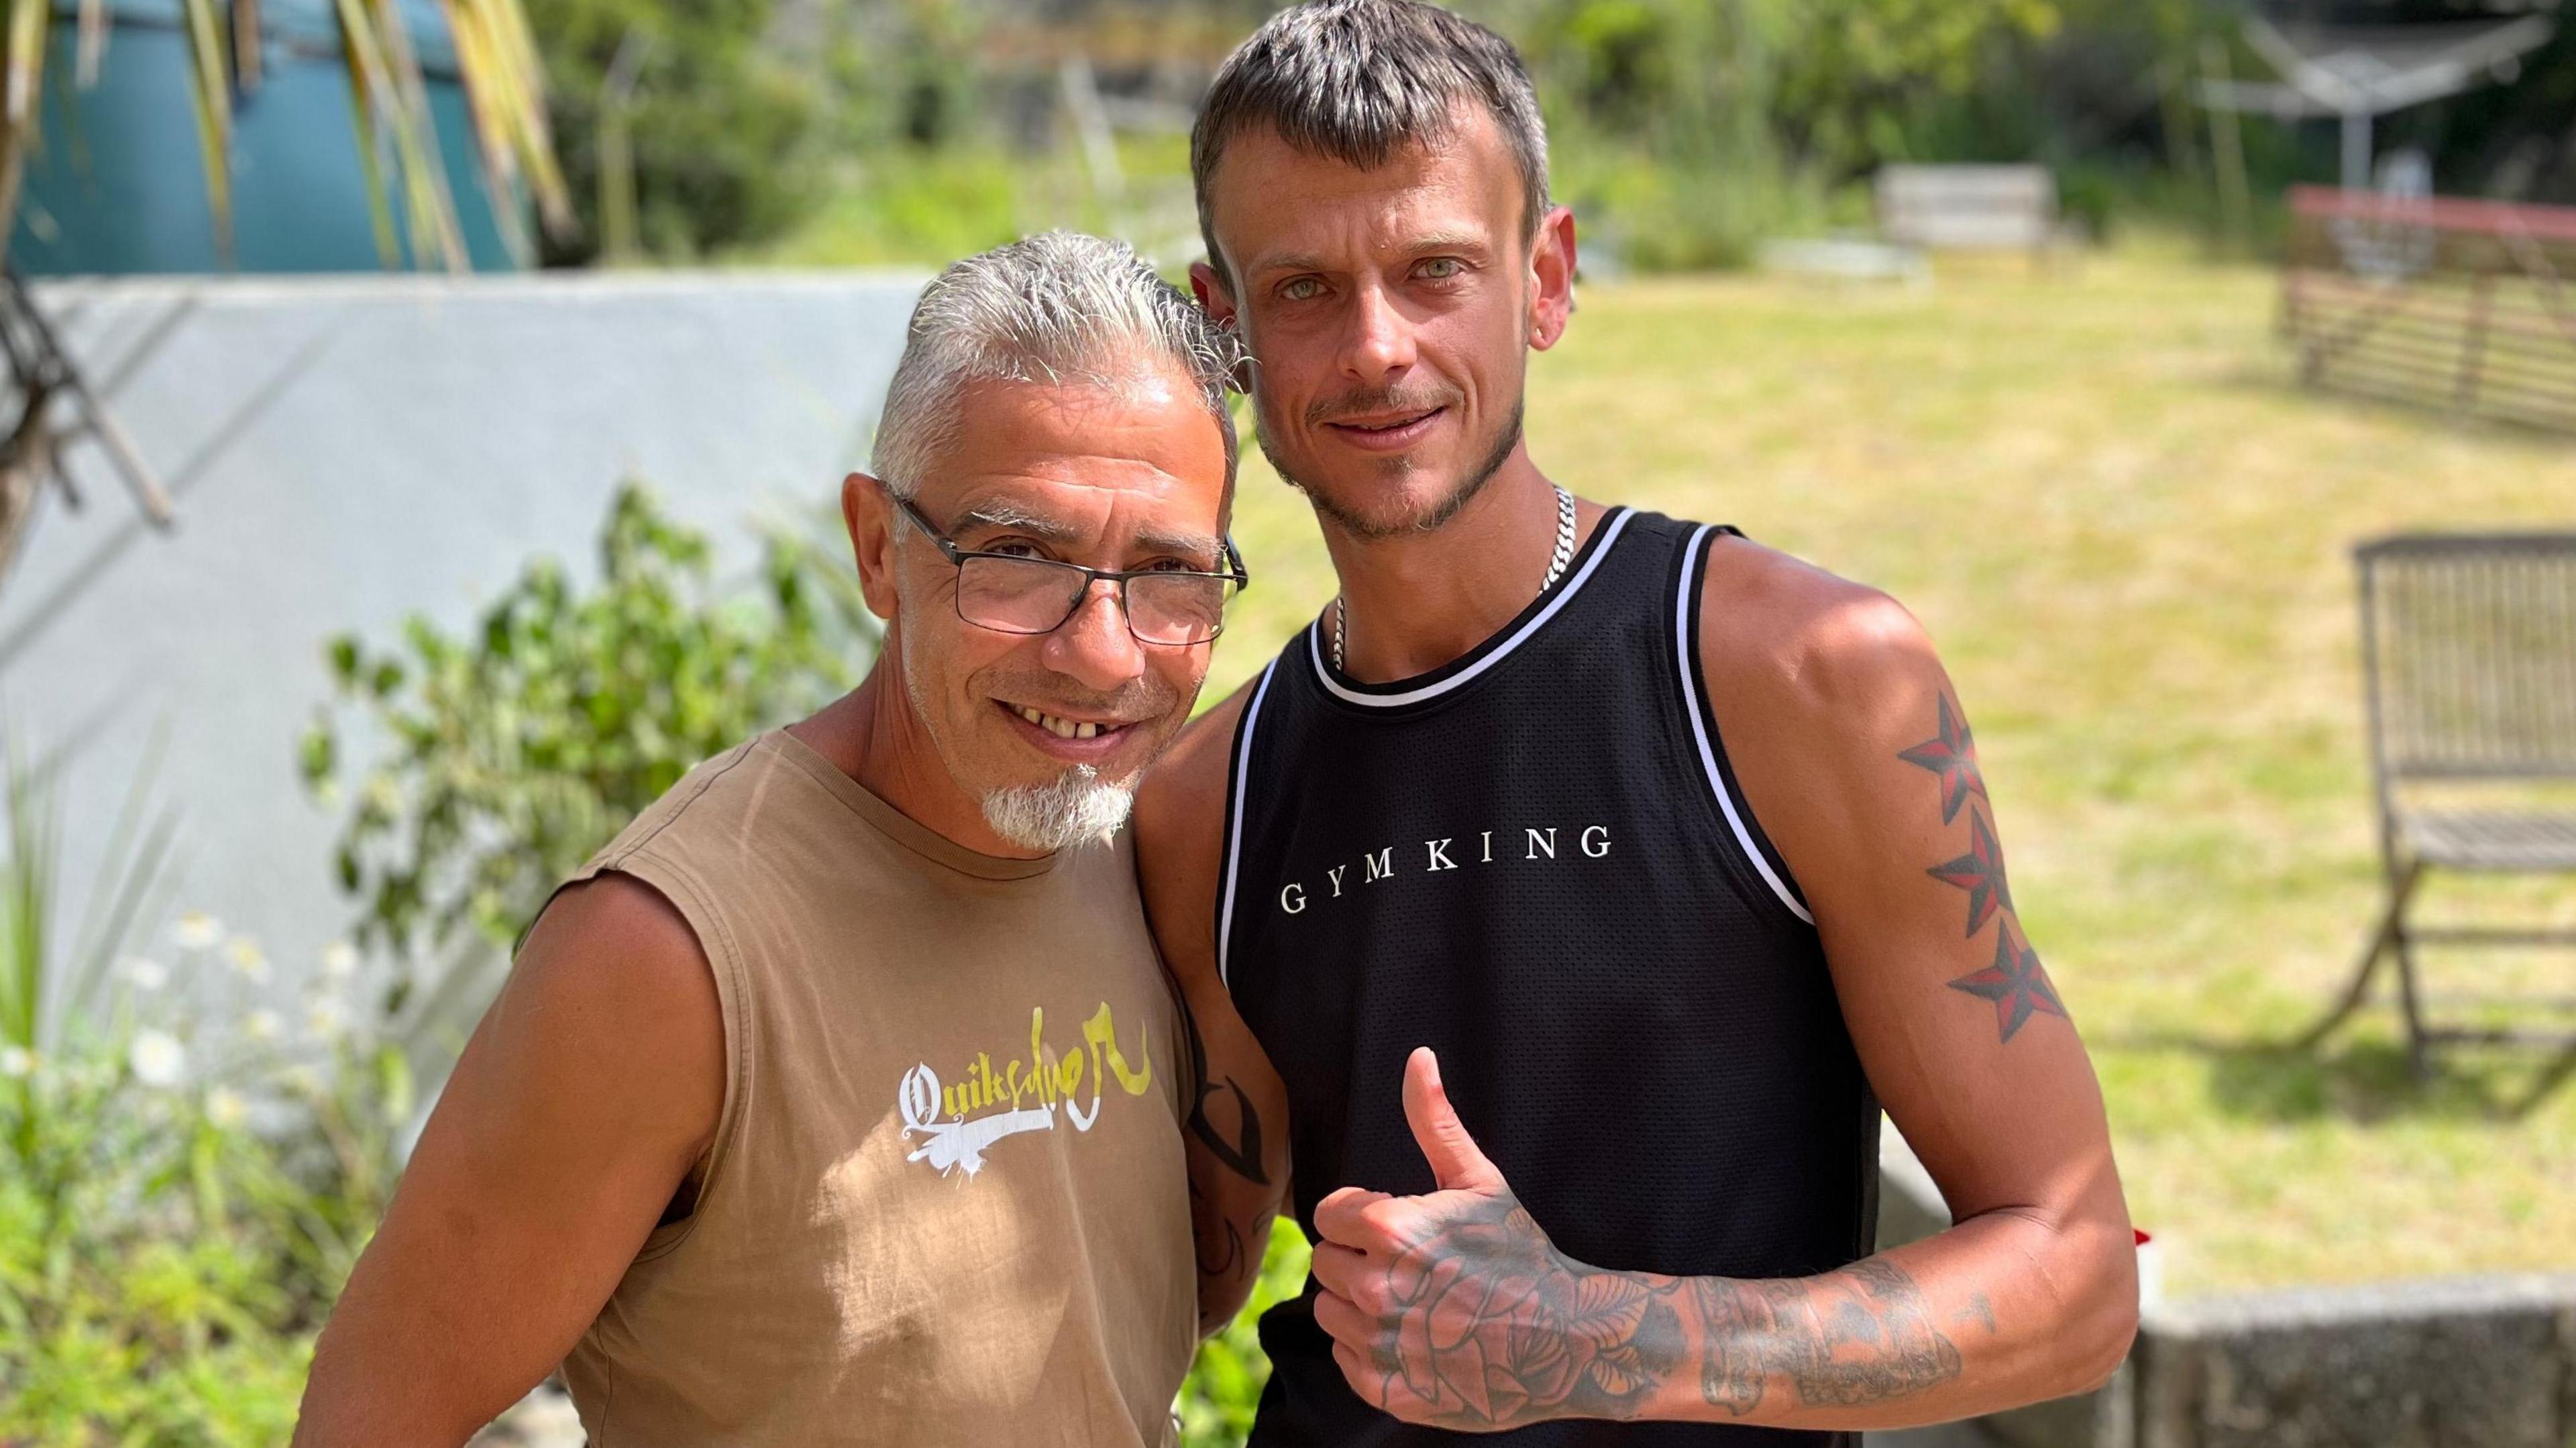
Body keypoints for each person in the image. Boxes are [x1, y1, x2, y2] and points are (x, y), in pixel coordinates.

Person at [1131, 2, 2141, 1441]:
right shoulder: (1202, 805)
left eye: (1435, 272)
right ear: (1223, 328)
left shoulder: (1808, 678)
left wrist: (1591, 1341)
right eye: (1300, 290)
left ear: (1545, 281)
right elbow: (1173, 1275)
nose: (1373, 348)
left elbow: (2075, 1274)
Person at [294, 231, 1254, 1447]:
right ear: (876, 550)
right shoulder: (668, 954)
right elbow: (375, 1419)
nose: (1104, 652)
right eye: (1018, 558)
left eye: (1170, 573)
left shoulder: (1154, 845)